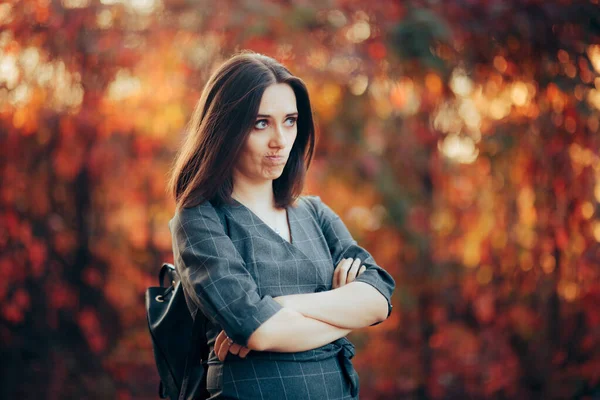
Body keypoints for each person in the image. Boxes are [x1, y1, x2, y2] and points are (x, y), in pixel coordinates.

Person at [167, 51, 395, 400]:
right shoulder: (200, 219)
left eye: (290, 121)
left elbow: (378, 299)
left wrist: (281, 304)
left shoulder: (314, 213)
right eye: (261, 123)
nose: (280, 140)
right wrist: (344, 312)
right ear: (225, 130)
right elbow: (257, 329)